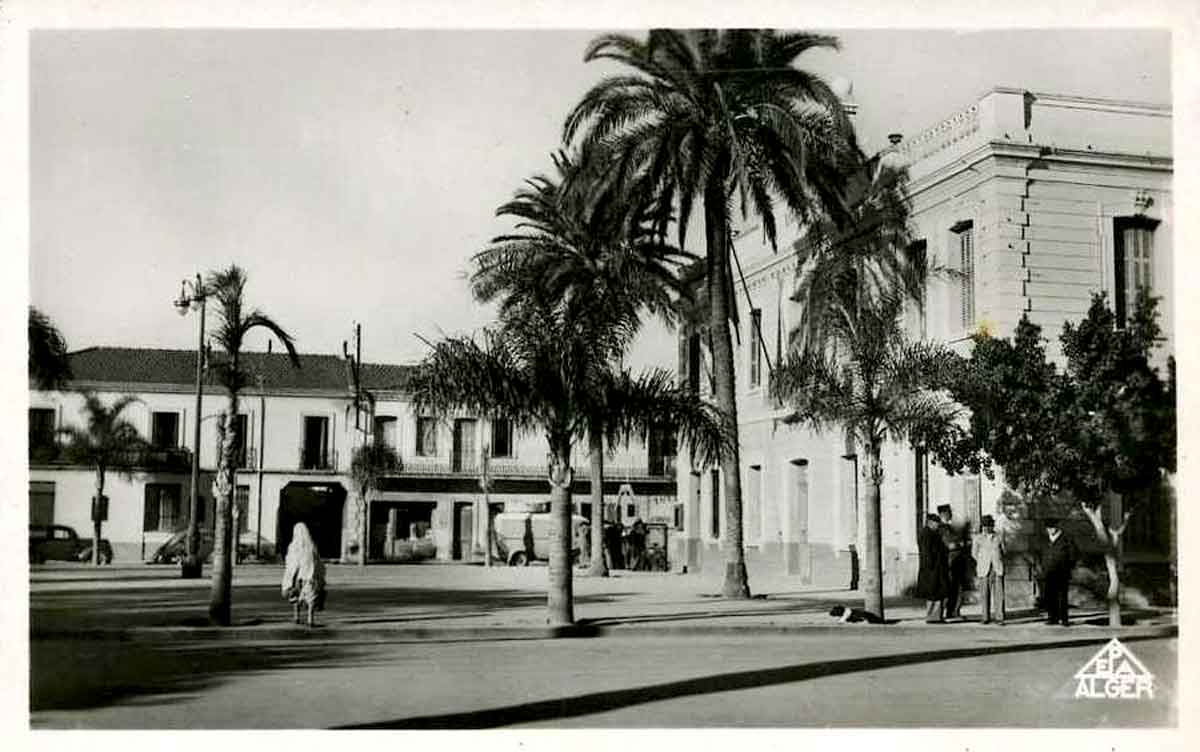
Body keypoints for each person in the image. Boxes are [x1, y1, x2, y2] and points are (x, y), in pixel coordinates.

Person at [282, 522, 326, 627]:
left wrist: (290, 577)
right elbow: (317, 562)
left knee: (295, 596)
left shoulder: (293, 546)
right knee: (311, 598)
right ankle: (310, 619)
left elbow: (290, 562)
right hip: (309, 575)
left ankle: (296, 616)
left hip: (296, 576)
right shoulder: (311, 546)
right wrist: (320, 575)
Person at [915, 513, 950, 623]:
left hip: (936, 568)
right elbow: (926, 553)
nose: (937, 525)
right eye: (936, 523)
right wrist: (931, 566)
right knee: (933, 593)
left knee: (938, 593)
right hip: (932, 569)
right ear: (930, 523)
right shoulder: (926, 534)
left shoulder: (932, 533)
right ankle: (933, 617)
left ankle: (936, 616)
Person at [1041, 518, 1075, 626]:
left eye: (1052, 528)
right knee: (1051, 596)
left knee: (1062, 596)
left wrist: (1068, 566)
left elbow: (1073, 554)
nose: (1050, 530)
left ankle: (1064, 619)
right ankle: (1052, 618)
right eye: (1048, 529)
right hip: (1049, 573)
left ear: (1057, 528)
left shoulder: (1066, 538)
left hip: (1062, 573)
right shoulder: (1046, 540)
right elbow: (1042, 554)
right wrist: (1043, 567)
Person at [971, 515, 1005, 624]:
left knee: (999, 594)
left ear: (992, 526)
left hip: (997, 568)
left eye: (988, 526)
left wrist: (997, 560)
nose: (985, 528)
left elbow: (1004, 551)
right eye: (984, 526)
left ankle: (999, 617)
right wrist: (982, 561)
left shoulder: (998, 537)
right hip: (984, 568)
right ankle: (985, 617)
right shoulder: (978, 538)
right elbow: (974, 553)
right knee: (984, 593)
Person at [938, 504, 967, 620]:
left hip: (955, 561)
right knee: (952, 588)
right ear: (943, 514)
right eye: (949, 512)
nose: (951, 514)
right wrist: (960, 544)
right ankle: (952, 611)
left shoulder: (948, 528)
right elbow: (949, 545)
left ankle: (954, 611)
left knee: (956, 587)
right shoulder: (942, 529)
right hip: (951, 561)